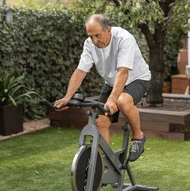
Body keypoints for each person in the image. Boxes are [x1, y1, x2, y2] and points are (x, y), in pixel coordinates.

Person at [54, 14, 151, 161]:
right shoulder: (89, 44)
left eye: (97, 35)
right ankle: (106, 164)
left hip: (136, 78)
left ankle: (138, 137)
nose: (94, 40)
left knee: (122, 101)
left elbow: (123, 72)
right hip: (112, 82)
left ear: (109, 30)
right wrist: (67, 97)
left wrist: (112, 99)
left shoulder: (124, 39)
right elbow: (80, 71)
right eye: (91, 36)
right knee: (100, 122)